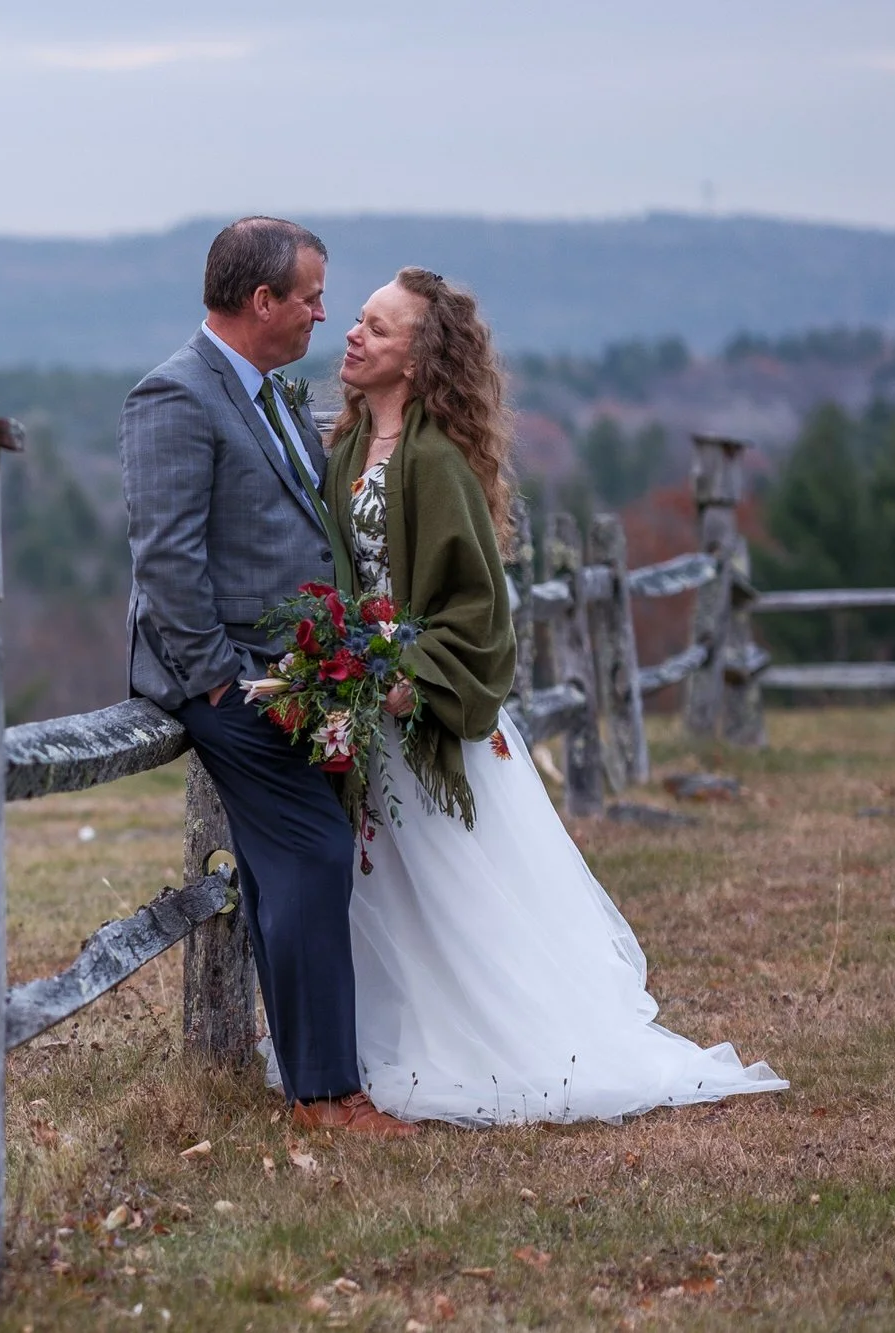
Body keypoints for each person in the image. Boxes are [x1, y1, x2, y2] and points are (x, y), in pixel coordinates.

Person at [310, 266, 787, 1125]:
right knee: (396, 896)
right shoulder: (348, 447)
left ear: (417, 358)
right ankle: (400, 1039)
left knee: (460, 897)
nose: (352, 334)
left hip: (420, 713)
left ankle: (497, 1049)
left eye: (377, 327)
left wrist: (404, 681)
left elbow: (479, 613)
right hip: (368, 712)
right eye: (357, 319)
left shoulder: (434, 462)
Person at [121, 217, 414, 1136]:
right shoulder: (175, 395)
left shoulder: (272, 394)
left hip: (290, 676)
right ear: (261, 300)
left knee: (292, 864)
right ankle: (327, 1095)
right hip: (227, 680)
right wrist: (218, 679)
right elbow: (166, 557)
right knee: (315, 853)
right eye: (311, 298)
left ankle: (313, 1085)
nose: (324, 314)